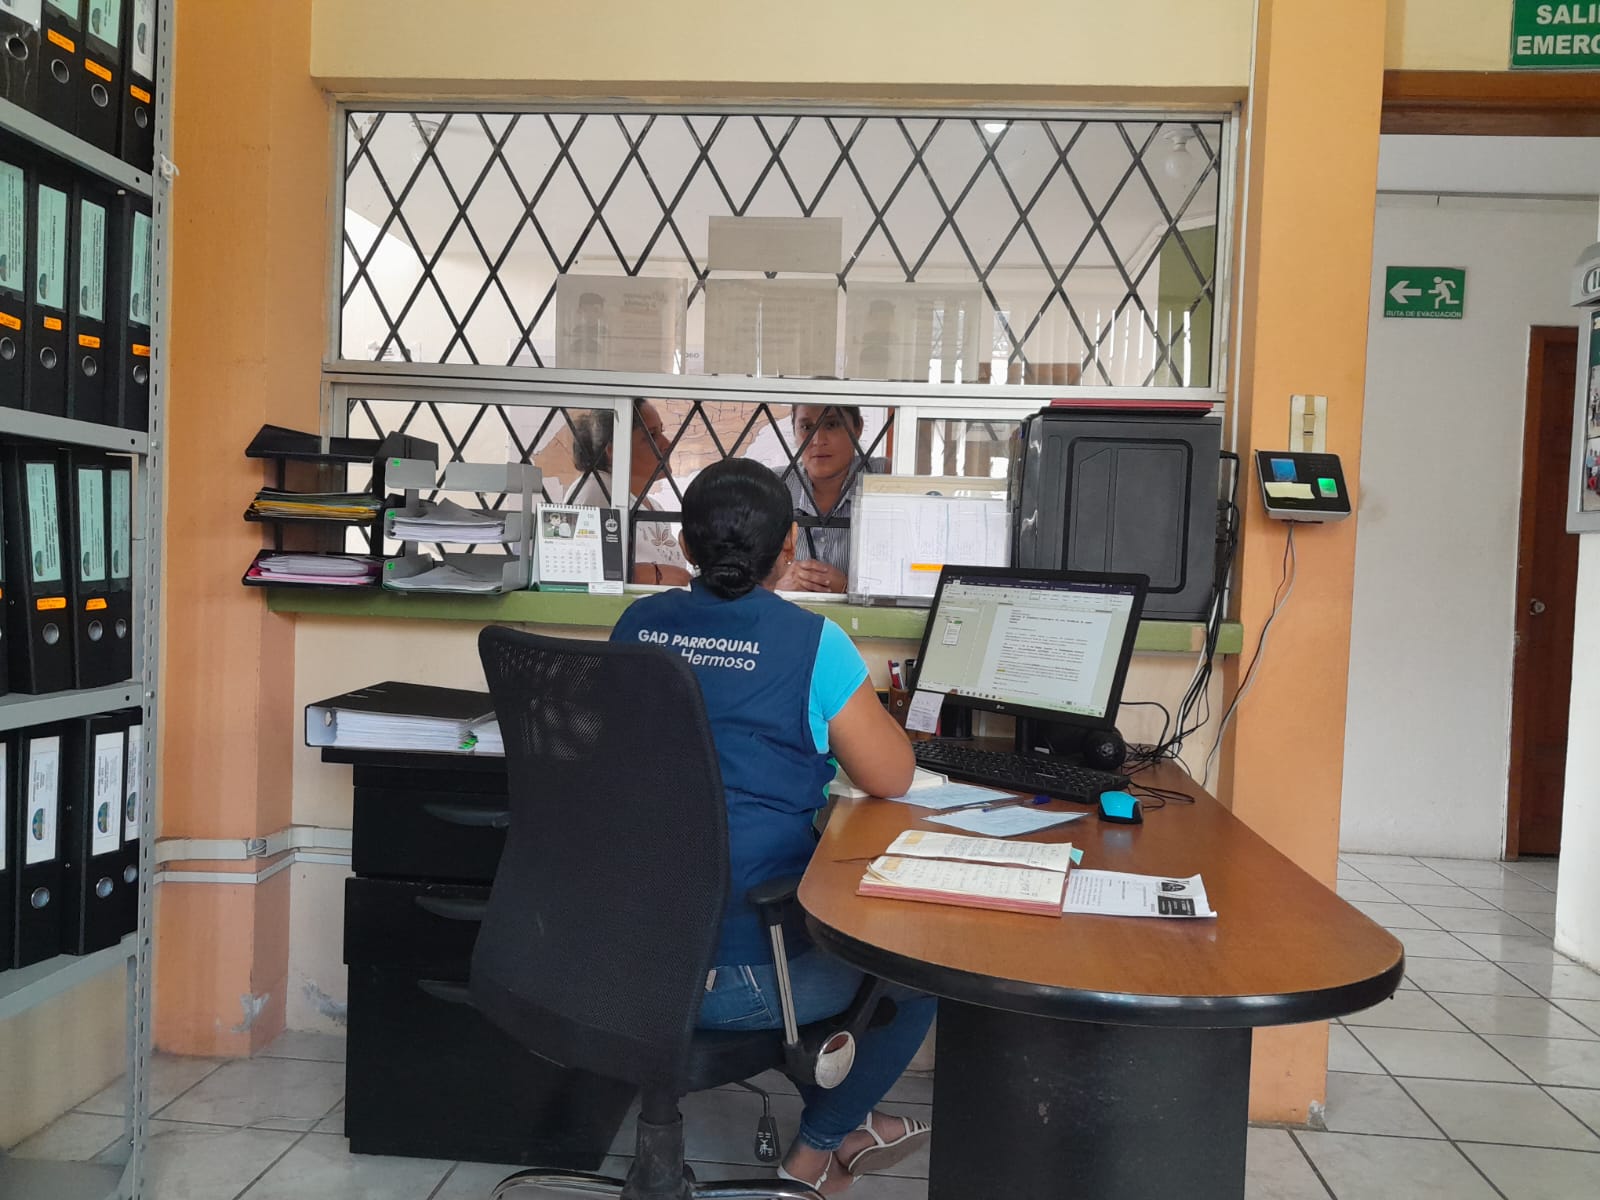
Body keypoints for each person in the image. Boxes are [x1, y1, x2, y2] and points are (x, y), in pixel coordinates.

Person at [611, 459, 934, 1195]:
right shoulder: (812, 644)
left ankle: (854, 1123)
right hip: (745, 976)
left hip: (624, 959)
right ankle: (818, 1152)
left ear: (684, 546)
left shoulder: (637, 624)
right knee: (916, 971)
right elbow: (892, 778)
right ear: (790, 547)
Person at [566, 399, 691, 585]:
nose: (667, 443)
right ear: (615, 450)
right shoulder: (597, 490)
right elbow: (592, 572)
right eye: (651, 436)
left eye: (661, 432)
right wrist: (657, 575)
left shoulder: (654, 505)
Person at [779, 404, 879, 595]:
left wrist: (849, 589)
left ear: (857, 428)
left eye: (832, 425)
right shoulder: (774, 486)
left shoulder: (886, 479)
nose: (818, 440)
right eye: (806, 427)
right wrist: (774, 585)